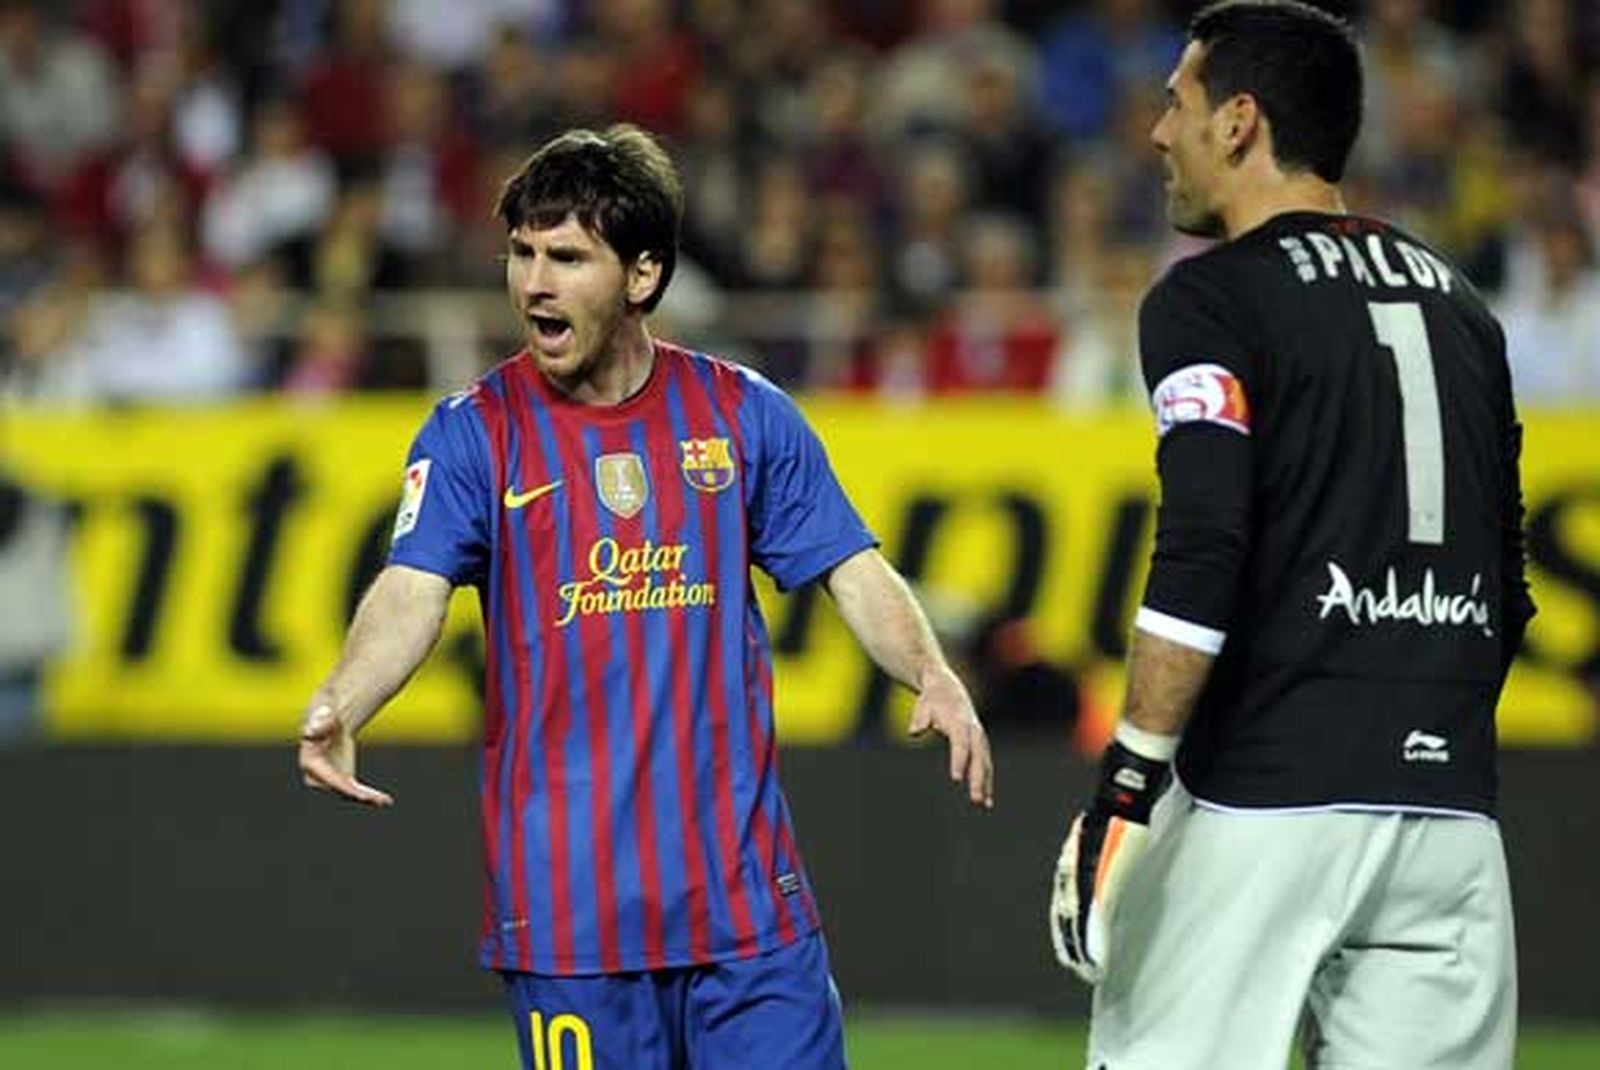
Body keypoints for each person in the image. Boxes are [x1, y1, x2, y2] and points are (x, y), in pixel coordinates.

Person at [298, 123, 993, 1070]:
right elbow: (411, 589)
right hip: (569, 922)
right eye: (522, 254)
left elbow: (850, 566)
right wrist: (345, 699)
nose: (534, 284)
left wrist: (931, 673)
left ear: (642, 274)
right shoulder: (474, 433)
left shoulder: (743, 414)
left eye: (567, 258)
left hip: (745, 911)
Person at [1045, 4, 1535, 1069]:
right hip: (1450, 817)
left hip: (1261, 799)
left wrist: (1126, 783)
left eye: (1175, 103)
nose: (1156, 133)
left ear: (1238, 123)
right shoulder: (1466, 310)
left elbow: (1204, 545)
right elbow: (1509, 583)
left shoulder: (1210, 300)